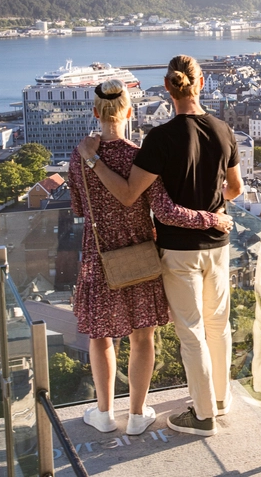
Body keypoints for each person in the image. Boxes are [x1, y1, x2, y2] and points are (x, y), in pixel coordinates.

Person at [77, 55, 243, 437]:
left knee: (192, 332)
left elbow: (131, 193)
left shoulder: (160, 138)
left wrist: (93, 160)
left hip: (178, 249)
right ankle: (220, 398)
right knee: (219, 326)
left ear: (168, 89)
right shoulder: (222, 129)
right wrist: (213, 203)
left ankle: (203, 416)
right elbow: (234, 189)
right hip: (218, 242)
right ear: (200, 83)